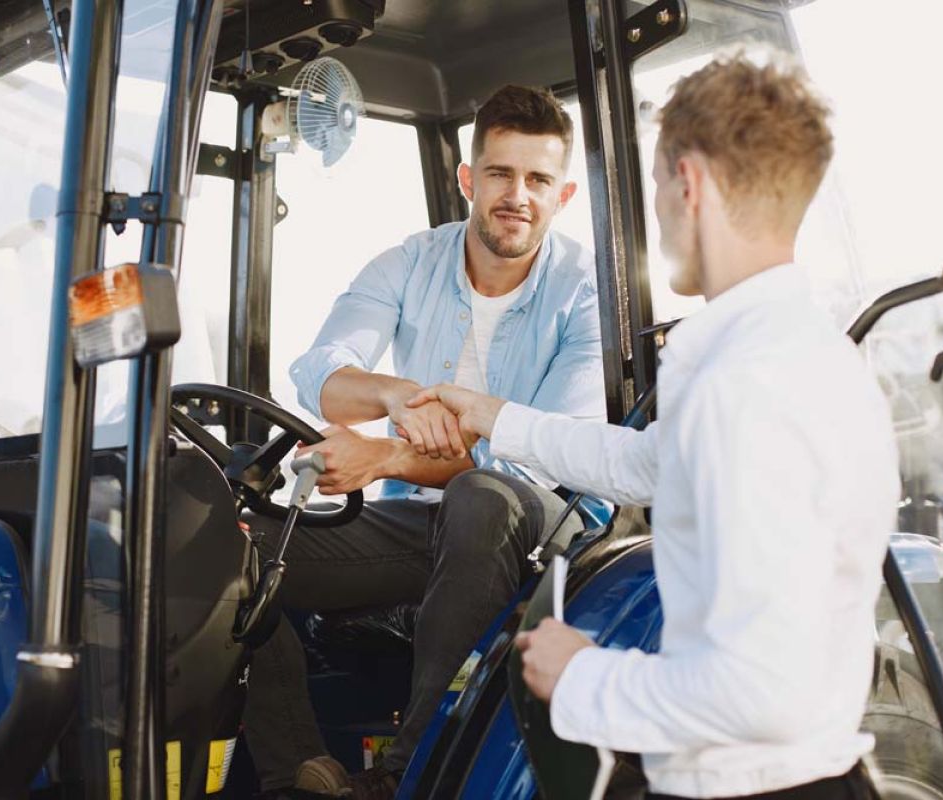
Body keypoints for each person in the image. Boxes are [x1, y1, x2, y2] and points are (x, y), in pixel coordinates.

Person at [410, 50, 898, 800]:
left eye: (659, 186)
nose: (659, 214)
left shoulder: (747, 385)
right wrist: (492, 416)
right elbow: (647, 465)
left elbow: (761, 692)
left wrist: (579, 675)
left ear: (689, 184)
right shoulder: (794, 355)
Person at [243, 84, 606, 798]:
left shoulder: (588, 291)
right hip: (431, 523)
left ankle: (406, 779)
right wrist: (390, 395)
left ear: (561, 197)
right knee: (234, 549)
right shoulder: (412, 262)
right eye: (500, 174)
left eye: (537, 180)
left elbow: (545, 454)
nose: (517, 195)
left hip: (553, 533)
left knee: (482, 496)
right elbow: (316, 372)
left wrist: (387, 456)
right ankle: (295, 778)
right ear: (470, 180)